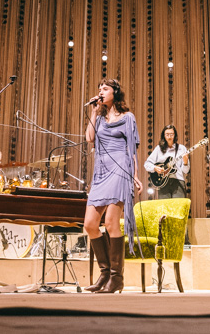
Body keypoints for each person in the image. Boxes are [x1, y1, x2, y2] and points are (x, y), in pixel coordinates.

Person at [82, 78, 141, 293]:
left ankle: (116, 278)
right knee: (89, 224)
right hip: (101, 172)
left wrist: (134, 175)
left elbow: (132, 150)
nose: (100, 91)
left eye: (105, 89)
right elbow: (89, 138)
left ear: (115, 92)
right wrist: (94, 111)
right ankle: (105, 274)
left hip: (120, 169)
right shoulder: (98, 118)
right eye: (99, 89)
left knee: (111, 223)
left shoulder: (127, 118)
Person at [144, 125, 190, 200]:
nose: (169, 136)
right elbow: (147, 164)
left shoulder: (181, 149)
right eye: (167, 134)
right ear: (164, 136)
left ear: (175, 135)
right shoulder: (158, 149)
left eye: (171, 134)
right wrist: (155, 168)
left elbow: (186, 171)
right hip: (163, 182)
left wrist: (185, 162)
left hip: (178, 181)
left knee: (178, 207)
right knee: (164, 208)